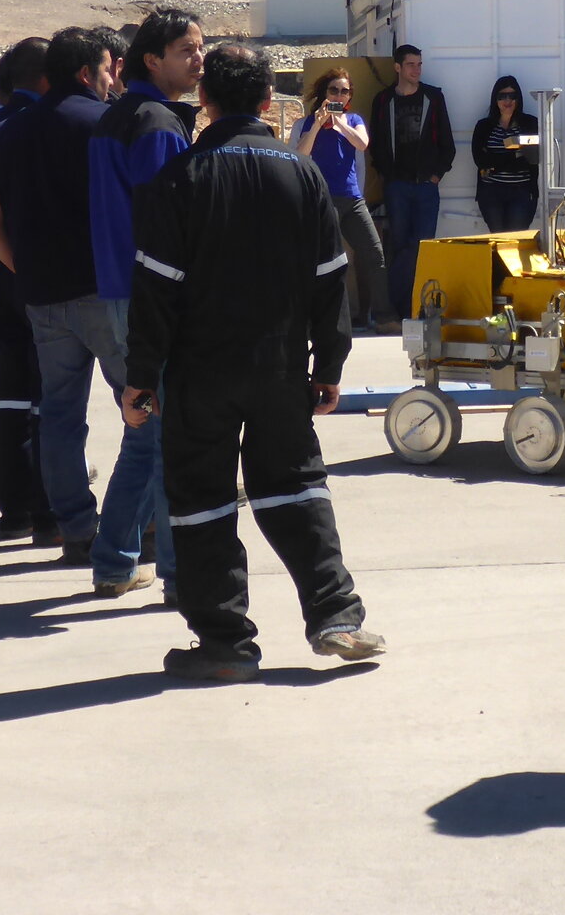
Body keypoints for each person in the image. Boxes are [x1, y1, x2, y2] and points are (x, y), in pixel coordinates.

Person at [123, 44, 384, 681]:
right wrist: (330, 366)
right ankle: (336, 618)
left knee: (203, 504)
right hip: (278, 369)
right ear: (269, 103)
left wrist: (139, 378)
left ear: (204, 102)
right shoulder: (302, 177)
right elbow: (331, 279)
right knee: (297, 489)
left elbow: (155, 288)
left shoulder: (180, 179)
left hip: (199, 373)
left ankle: (225, 644)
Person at [0, 26, 122, 563]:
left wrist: (27, 268)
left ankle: (75, 528)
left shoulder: (6, 134)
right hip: (104, 293)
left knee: (59, 414)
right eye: (109, 69)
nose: (113, 81)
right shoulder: (107, 126)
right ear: (87, 72)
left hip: (40, 295)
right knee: (143, 406)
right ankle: (143, 525)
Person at [85, 9, 202, 598]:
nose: (198, 59)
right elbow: (167, 226)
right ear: (152, 59)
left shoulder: (118, 118)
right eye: (186, 49)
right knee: (167, 440)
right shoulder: (157, 124)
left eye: (200, 48)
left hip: (120, 292)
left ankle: (113, 562)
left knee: (144, 434)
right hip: (149, 298)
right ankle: (179, 578)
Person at [0, 38, 53, 540]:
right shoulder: (24, 127)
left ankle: (15, 501)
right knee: (43, 391)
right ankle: (39, 500)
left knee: (11, 390)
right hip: (23, 269)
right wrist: (23, 267)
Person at [296, 66, 396, 332]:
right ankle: (310, 320)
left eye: (344, 91)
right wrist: (318, 124)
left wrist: (339, 123)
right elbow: (301, 154)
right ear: (323, 92)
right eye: (334, 90)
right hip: (321, 202)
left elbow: (362, 144)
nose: (339, 96)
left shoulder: (354, 120)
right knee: (318, 261)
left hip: (352, 200)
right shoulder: (305, 124)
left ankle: (383, 316)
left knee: (375, 255)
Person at [368, 44, 455, 318]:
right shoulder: (383, 101)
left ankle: (419, 306)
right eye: (410, 65)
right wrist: (387, 174)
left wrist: (436, 175)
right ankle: (400, 307)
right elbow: (377, 143)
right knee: (399, 245)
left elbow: (447, 142)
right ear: (397, 68)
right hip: (397, 186)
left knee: (423, 245)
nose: (416, 70)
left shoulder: (433, 97)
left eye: (419, 64)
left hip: (426, 186)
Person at [470, 75, 539, 233]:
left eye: (512, 96)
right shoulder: (484, 126)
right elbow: (480, 161)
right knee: (498, 238)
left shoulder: (530, 124)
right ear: (495, 99)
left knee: (516, 238)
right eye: (502, 96)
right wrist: (516, 154)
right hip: (491, 192)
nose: (507, 101)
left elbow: (532, 158)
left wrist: (495, 163)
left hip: (521, 192)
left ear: (518, 98)